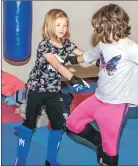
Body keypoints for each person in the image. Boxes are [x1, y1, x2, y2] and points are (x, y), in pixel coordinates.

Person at [65, 4, 138, 166]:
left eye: (99, 27)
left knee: (110, 150)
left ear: (111, 26)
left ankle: (106, 151)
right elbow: (89, 55)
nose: (97, 31)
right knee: (72, 124)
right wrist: (71, 60)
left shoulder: (130, 47)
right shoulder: (104, 43)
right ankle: (99, 142)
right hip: (98, 98)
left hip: (116, 104)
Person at [14, 9, 88, 166]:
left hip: (53, 91)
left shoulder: (67, 44)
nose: (62, 28)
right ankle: (20, 158)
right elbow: (57, 65)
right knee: (29, 124)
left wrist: (98, 60)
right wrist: (74, 80)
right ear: (49, 26)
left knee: (58, 125)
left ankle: (51, 160)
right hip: (36, 90)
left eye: (65, 25)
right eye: (58, 25)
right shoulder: (44, 45)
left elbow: (82, 56)